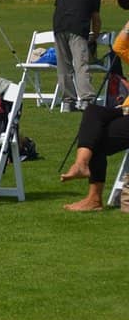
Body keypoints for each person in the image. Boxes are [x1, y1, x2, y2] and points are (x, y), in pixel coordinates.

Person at [60, 20, 129, 211]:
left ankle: (93, 196)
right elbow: (119, 46)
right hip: (125, 111)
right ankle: (83, 169)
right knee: (93, 114)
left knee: (95, 135)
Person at [52, 0, 101, 112]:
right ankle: (86, 99)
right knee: (81, 64)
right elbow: (96, 18)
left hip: (59, 27)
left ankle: (68, 101)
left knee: (63, 65)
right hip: (78, 28)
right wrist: (95, 35)